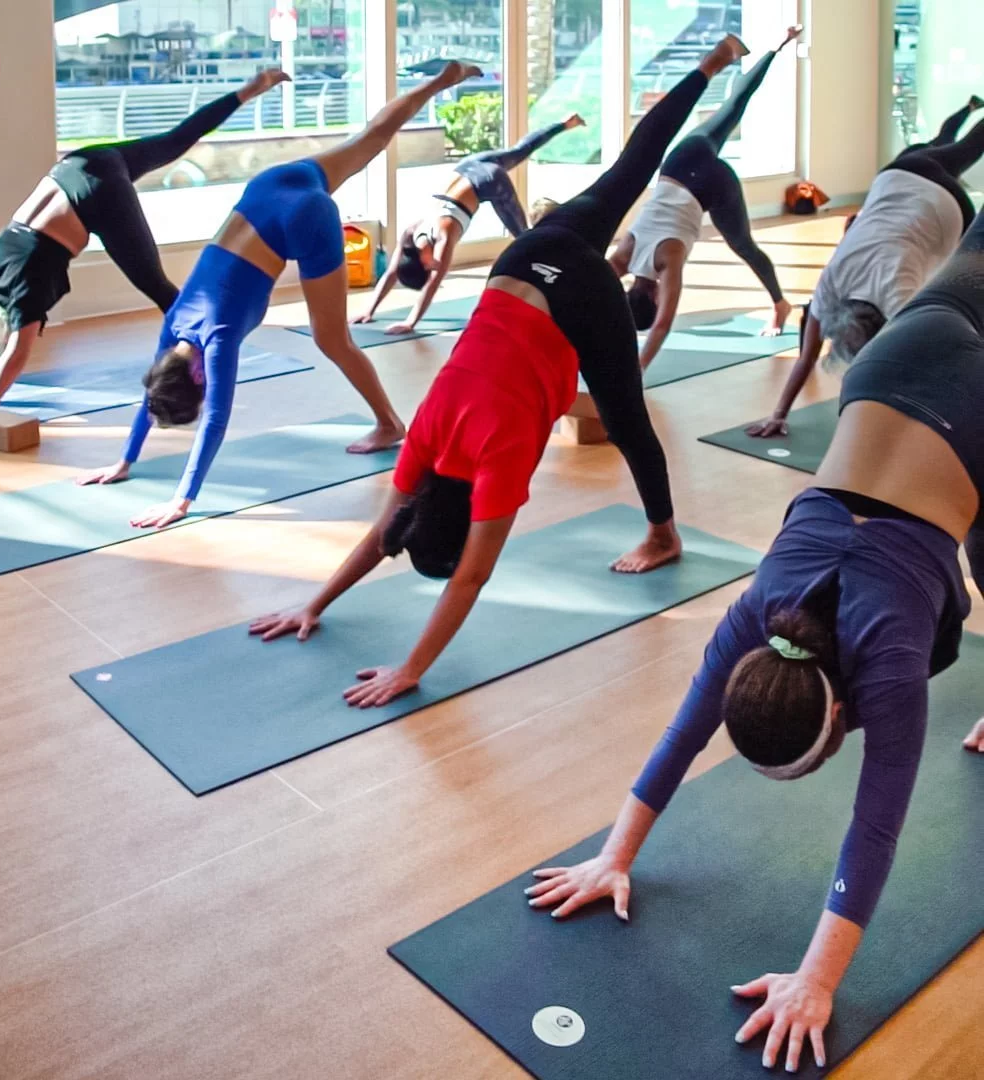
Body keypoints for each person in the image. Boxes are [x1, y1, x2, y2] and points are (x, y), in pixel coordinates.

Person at [525, 208, 984, 1072]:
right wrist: (611, 857)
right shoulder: (758, 614)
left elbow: (874, 831)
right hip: (898, 361)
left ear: (839, 707)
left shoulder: (886, 666)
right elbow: (685, 731)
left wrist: (816, 981)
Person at [248, 36, 750, 707]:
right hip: (524, 260)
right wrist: (313, 605)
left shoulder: (499, 465)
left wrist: (411, 669)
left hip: (574, 292)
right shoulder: (424, 443)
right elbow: (383, 537)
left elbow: (471, 580)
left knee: (628, 423)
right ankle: (708, 66)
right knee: (634, 165)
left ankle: (664, 535)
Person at [76, 62, 481, 530]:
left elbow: (216, 422)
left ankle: (391, 424)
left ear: (198, 380)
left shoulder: (218, 340)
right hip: (271, 187)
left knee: (333, 340)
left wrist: (181, 501)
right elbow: (153, 395)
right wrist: (124, 460)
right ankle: (440, 80)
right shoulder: (175, 326)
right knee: (371, 137)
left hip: (302, 219)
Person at [0, 70, 289, 437]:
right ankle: (251, 89)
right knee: (175, 141)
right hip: (77, 164)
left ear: (8, 319)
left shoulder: (26, 294)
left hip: (97, 194)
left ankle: (202, 357)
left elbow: (15, 357)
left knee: (158, 288)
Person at [748, 94, 984, 438]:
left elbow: (807, 358)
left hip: (943, 206)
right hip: (899, 176)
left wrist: (779, 415)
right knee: (968, 146)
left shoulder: (899, 302)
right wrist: (778, 414)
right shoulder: (829, 288)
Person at [606, 26, 802, 371]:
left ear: (653, 295)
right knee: (732, 107)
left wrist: (636, 373)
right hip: (681, 163)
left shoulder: (669, 262)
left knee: (744, 246)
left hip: (711, 183)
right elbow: (585, 287)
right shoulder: (621, 259)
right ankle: (776, 44)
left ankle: (780, 304)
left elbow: (663, 325)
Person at [354, 115, 586, 334]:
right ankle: (565, 123)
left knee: (526, 239)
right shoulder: (410, 235)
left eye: (428, 268)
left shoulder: (444, 234)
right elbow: (392, 272)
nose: (432, 268)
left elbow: (433, 284)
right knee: (519, 151)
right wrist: (369, 310)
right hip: (468, 166)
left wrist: (410, 322)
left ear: (422, 263)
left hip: (490, 180)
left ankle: (558, 273)